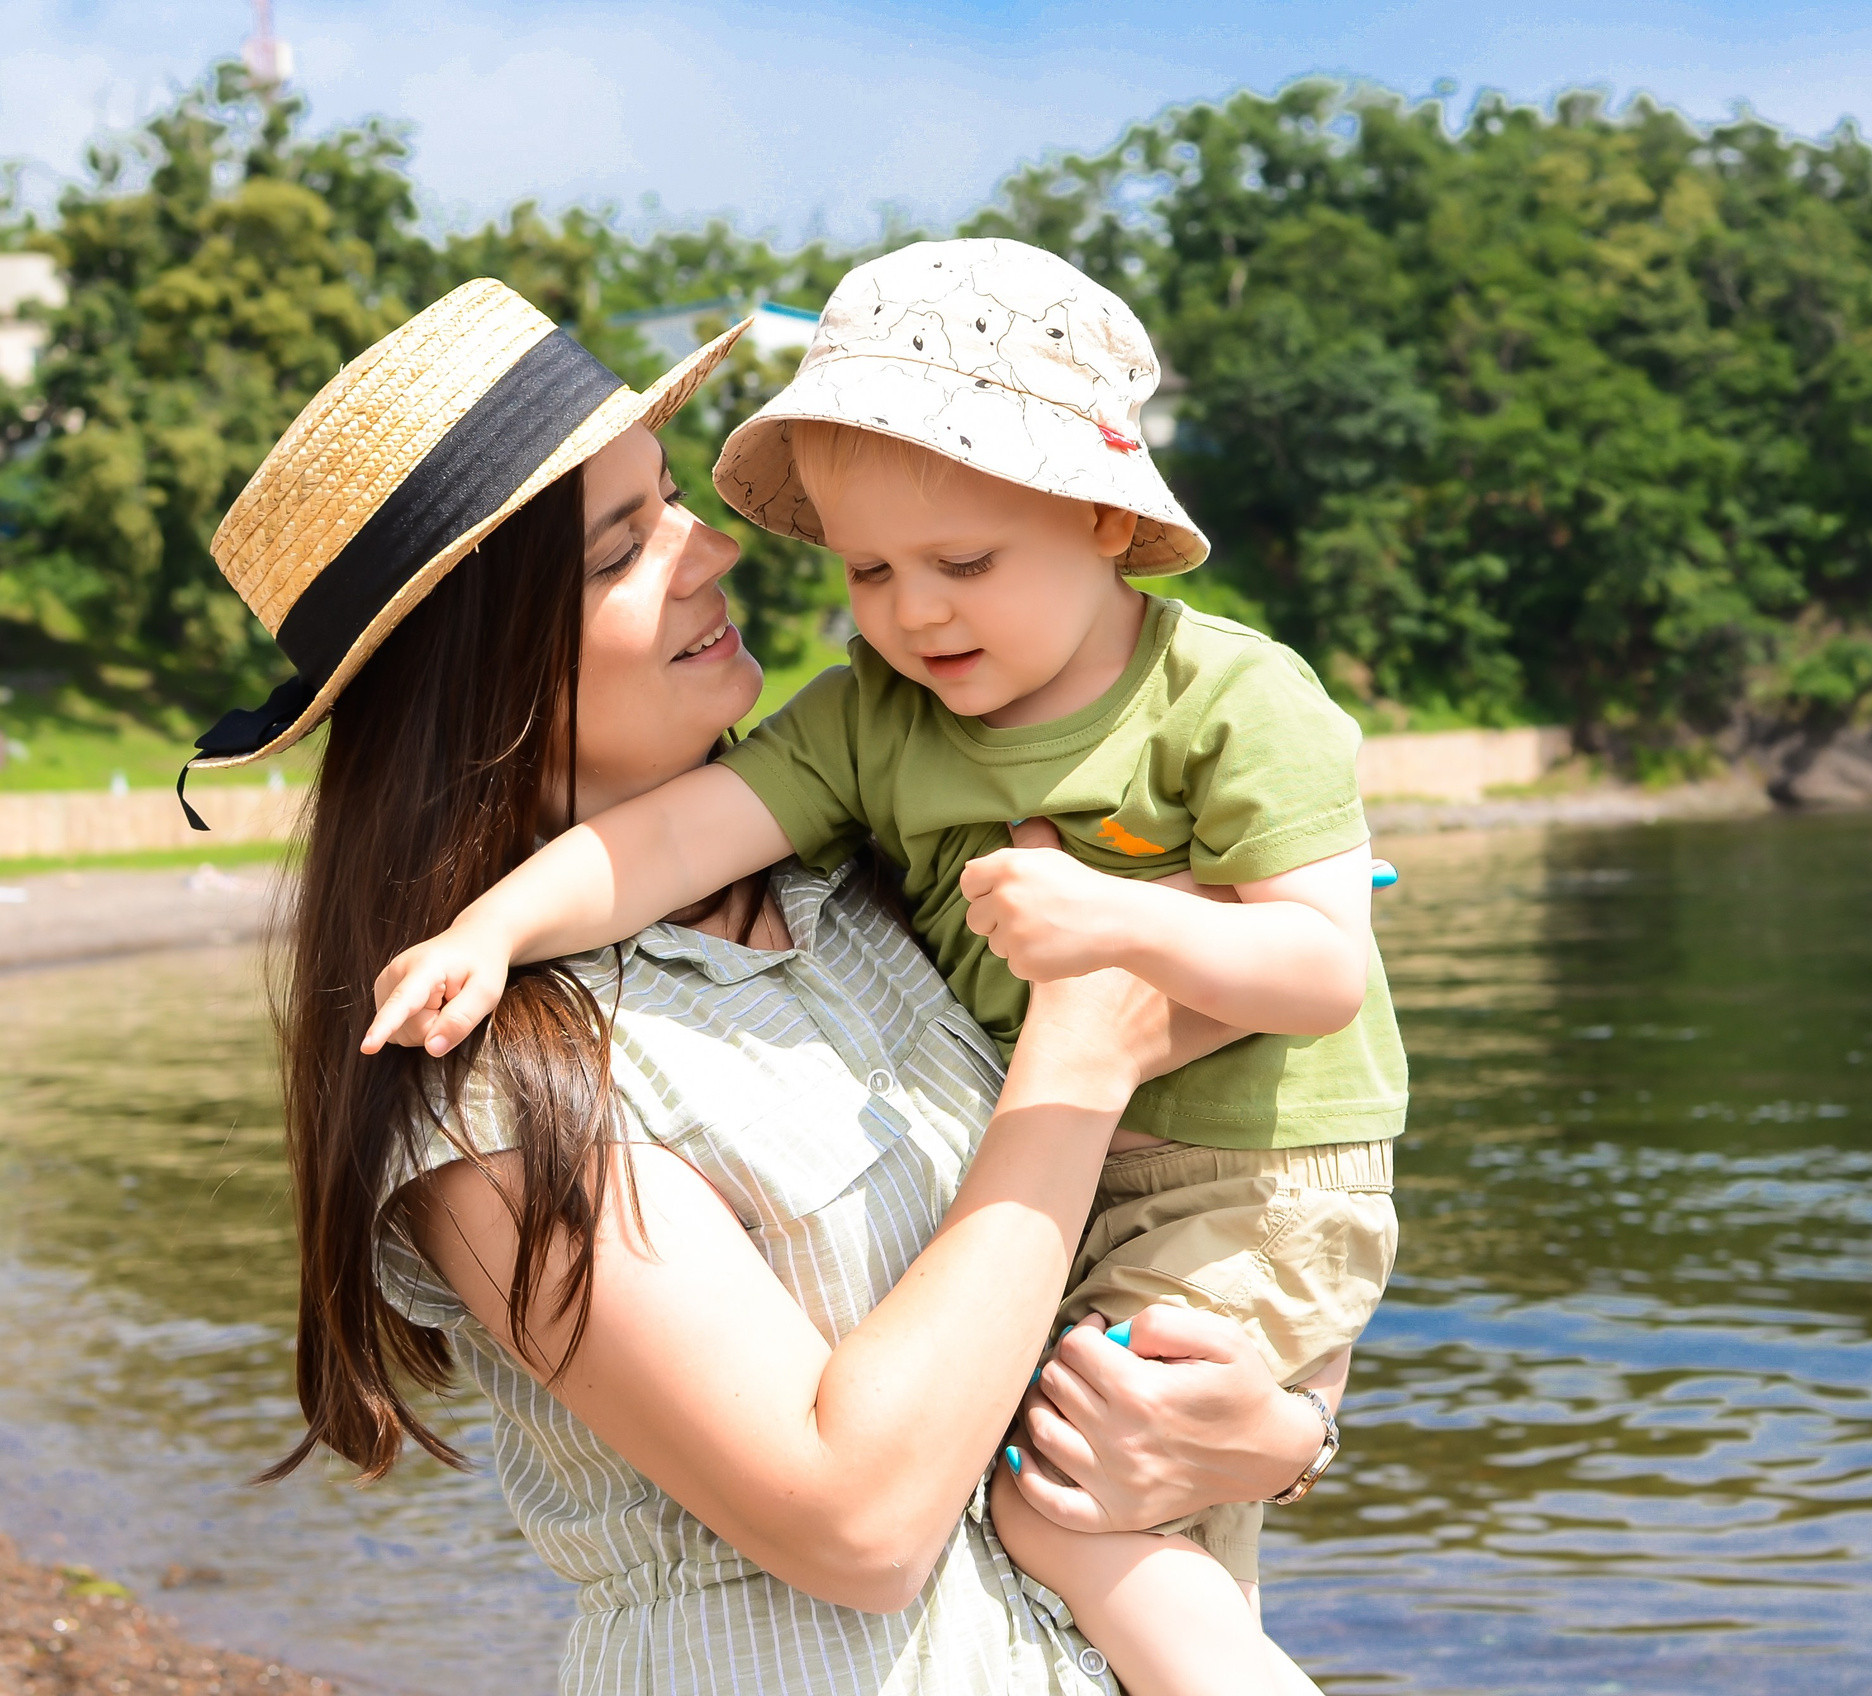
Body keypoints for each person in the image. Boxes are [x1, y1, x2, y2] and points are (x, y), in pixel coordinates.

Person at [182, 278, 1344, 1695]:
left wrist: (1276, 1438)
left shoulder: (866, 877)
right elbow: (853, 1523)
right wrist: (1080, 1052)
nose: (712, 549)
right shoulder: (498, 1074)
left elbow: (1111, 1266)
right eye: (625, 545)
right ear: (473, 670)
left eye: (672, 499)